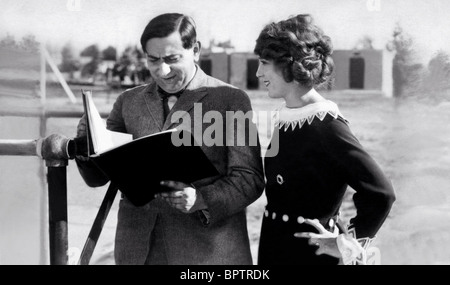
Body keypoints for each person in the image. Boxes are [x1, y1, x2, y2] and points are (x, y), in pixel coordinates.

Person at [75, 13, 265, 265]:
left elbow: (249, 179)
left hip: (205, 255)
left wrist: (201, 199)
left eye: (172, 59)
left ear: (195, 50)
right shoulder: (128, 102)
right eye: (153, 60)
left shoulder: (231, 100)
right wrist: (84, 142)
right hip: (138, 251)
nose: (162, 71)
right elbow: (97, 176)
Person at [253, 14, 396, 265]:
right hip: (276, 250)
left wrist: (346, 244)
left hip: (309, 258)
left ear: (290, 64)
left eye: (264, 63)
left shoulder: (326, 125)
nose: (257, 72)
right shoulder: (287, 117)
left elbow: (381, 193)